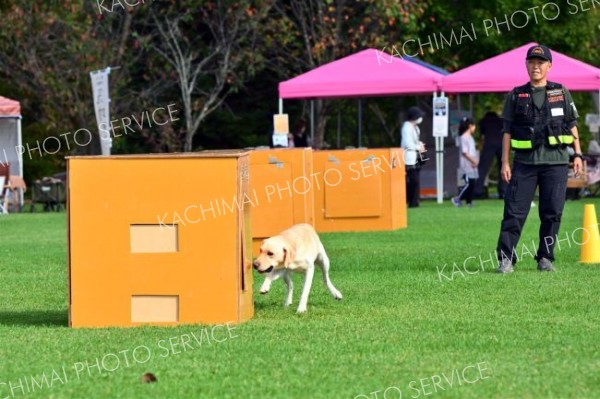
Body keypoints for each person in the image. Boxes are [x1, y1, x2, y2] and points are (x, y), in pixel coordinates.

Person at [496, 44, 583, 273]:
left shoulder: (561, 92)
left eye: (540, 63)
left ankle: (545, 258)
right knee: (514, 212)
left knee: (552, 211)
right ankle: (506, 259)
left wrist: (578, 155)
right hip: (524, 164)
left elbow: (572, 126)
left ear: (549, 66)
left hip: (556, 163)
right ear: (526, 65)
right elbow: (507, 130)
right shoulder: (515, 95)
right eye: (532, 62)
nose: (536, 66)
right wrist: (505, 162)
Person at [474, 111, 506, 198]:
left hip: (489, 144)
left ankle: (478, 191)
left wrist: (481, 148)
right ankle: (503, 191)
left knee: (483, 168)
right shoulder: (501, 120)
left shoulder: (483, 121)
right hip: (501, 144)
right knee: (503, 167)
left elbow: (483, 136)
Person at [401, 106, 426, 208]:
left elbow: (416, 140)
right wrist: (418, 147)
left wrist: (420, 145)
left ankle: (414, 201)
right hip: (408, 157)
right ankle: (410, 201)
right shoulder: (406, 127)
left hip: (415, 157)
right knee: (412, 180)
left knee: (415, 180)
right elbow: (407, 144)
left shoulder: (416, 128)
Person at [452, 117, 479, 208]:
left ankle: (469, 202)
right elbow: (465, 152)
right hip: (466, 165)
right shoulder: (463, 138)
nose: (475, 128)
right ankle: (457, 198)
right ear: (470, 126)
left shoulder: (470, 137)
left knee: (472, 184)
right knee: (468, 183)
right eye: (474, 126)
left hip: (472, 165)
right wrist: (473, 160)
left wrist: (475, 161)